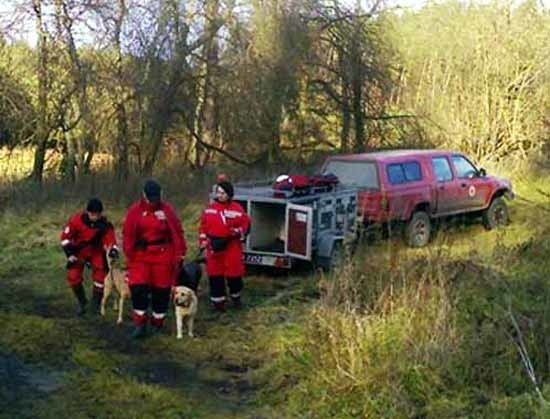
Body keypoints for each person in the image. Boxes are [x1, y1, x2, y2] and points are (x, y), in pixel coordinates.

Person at [122, 180, 187, 339]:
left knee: (161, 290)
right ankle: (140, 322)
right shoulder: (135, 211)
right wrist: (130, 252)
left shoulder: (166, 210)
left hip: (163, 254)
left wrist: (180, 253)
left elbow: (177, 232)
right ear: (144, 195)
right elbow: (128, 233)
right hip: (141, 255)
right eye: (150, 197)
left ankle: (157, 322)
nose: (153, 200)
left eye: (155, 197)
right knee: (138, 288)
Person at [60, 198, 119, 316]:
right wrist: (70, 254)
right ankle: (83, 303)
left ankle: (95, 304)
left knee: (100, 276)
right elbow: (64, 239)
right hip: (78, 252)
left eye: (97, 214)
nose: (95, 217)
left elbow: (112, 242)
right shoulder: (76, 221)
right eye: (92, 214)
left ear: (101, 214)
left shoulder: (105, 226)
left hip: (96, 252)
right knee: (73, 276)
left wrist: (113, 251)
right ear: (87, 212)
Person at [199, 178, 250, 311]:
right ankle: (218, 303)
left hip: (231, 247)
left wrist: (237, 232)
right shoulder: (210, 209)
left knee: (234, 275)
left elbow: (245, 224)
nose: (220, 195)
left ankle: (236, 298)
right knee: (215, 276)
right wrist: (203, 241)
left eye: (223, 193)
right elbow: (203, 227)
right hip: (214, 248)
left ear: (229, 194)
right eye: (218, 193)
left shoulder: (237, 209)